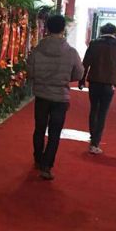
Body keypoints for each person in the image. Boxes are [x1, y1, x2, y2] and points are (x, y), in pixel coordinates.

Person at [27, 14, 84, 180]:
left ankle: (38, 159)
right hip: (60, 97)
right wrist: (65, 78)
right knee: (54, 132)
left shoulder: (37, 50)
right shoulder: (71, 52)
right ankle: (46, 166)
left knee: (39, 128)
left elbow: (30, 71)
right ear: (63, 29)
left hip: (42, 95)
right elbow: (79, 73)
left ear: (47, 28)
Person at [79, 22, 116, 154]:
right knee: (102, 113)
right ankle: (95, 143)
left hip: (94, 82)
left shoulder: (94, 44)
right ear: (114, 33)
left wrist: (81, 80)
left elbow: (85, 63)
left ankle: (93, 137)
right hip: (109, 84)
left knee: (94, 109)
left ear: (101, 32)